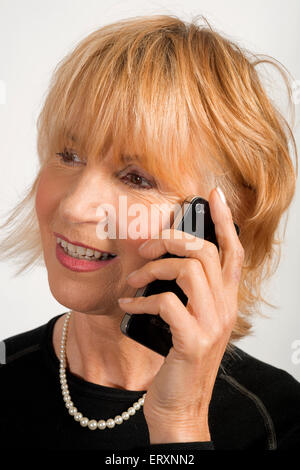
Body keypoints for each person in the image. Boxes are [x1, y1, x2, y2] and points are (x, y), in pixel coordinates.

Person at [0, 14, 299, 451]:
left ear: (216, 225)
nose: (75, 206)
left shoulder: (278, 421)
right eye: (69, 154)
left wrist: (180, 425)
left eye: (136, 178)